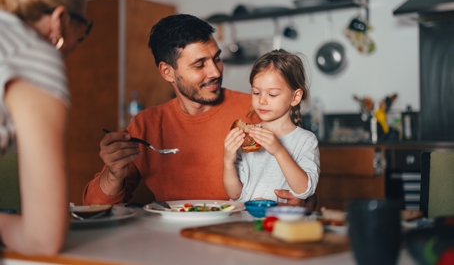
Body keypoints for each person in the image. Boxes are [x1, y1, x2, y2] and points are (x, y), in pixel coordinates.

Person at [83, 14, 316, 208]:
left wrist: (302, 202)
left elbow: (305, 188)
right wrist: (113, 173)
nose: (215, 71)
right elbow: (93, 206)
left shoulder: (259, 110)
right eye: (199, 64)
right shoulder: (146, 126)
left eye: (216, 59)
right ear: (167, 72)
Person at [0, 0, 90, 255]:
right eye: (82, 27)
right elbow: (43, 239)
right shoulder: (33, 53)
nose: (77, 41)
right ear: (59, 18)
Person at [223, 49, 320, 202]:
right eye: (256, 93)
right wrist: (228, 161)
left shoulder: (305, 140)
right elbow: (235, 194)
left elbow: (304, 191)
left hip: (282, 223)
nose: (262, 100)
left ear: (295, 97)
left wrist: (279, 151)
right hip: (246, 221)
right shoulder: (249, 138)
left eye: (272, 94)